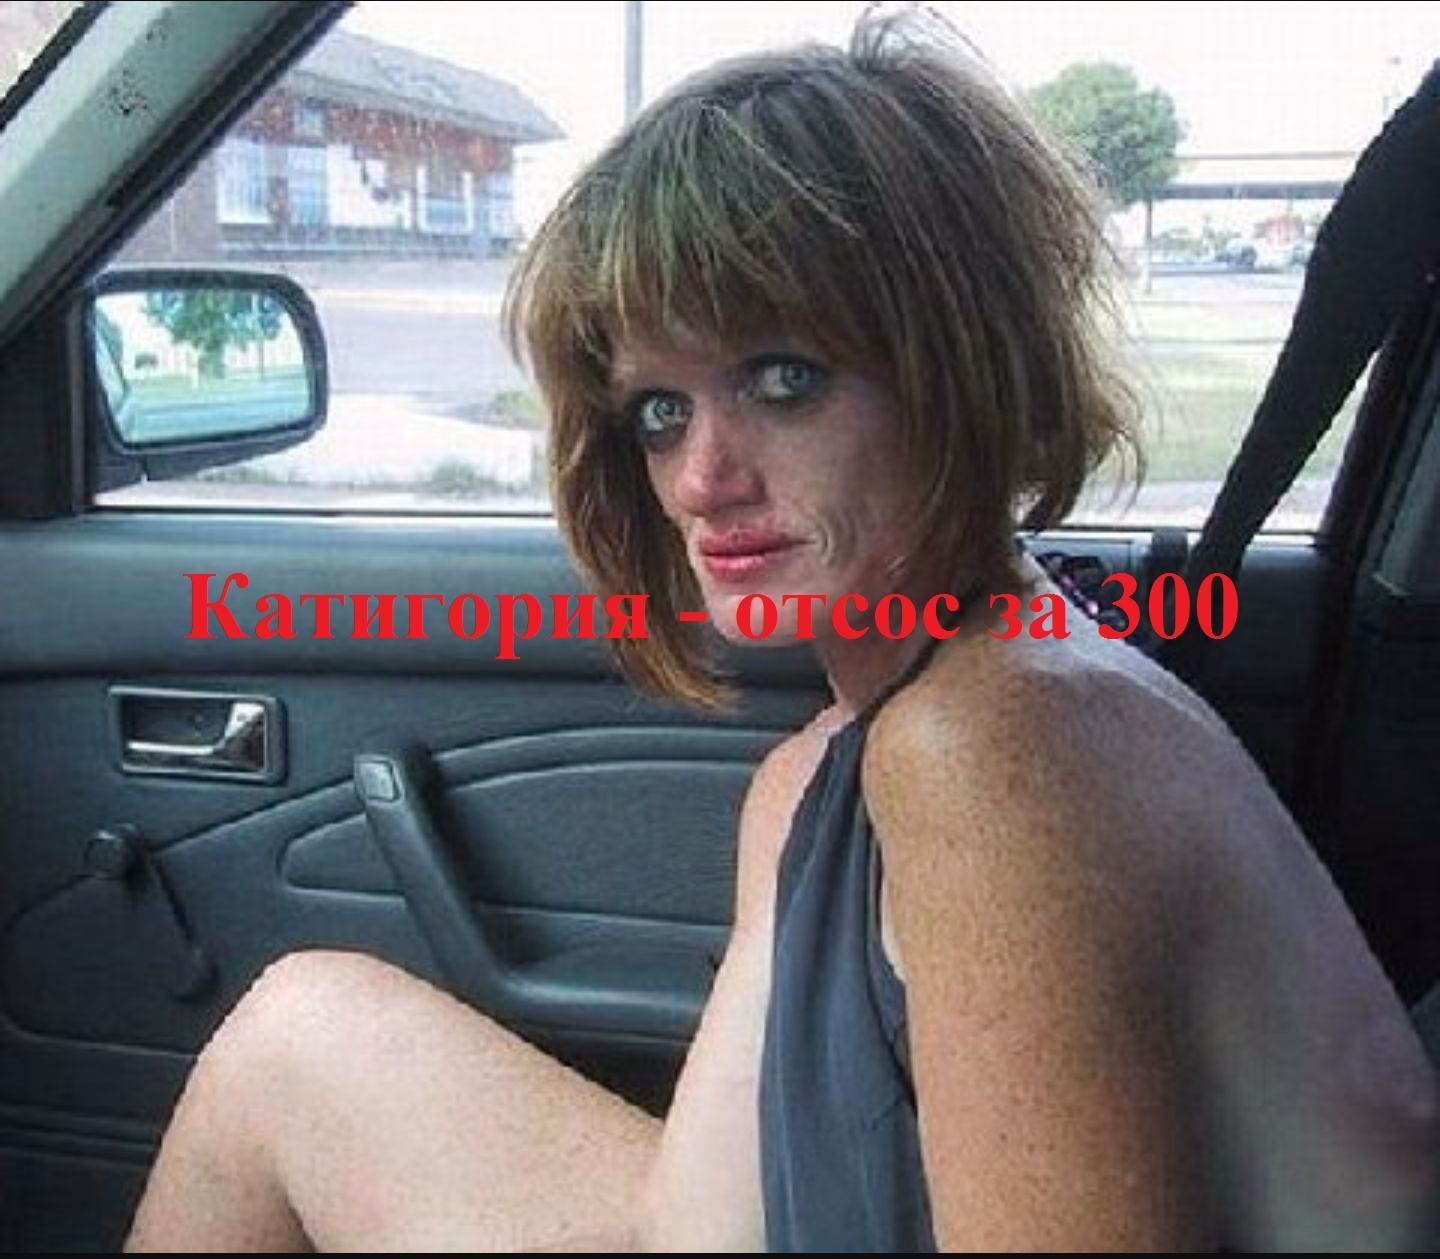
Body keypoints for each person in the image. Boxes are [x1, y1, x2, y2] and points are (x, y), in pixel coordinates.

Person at [126, 10, 1438, 1252]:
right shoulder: (826, 770)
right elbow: (705, 1227)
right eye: (660, 412)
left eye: (784, 380)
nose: (703, 478)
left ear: (963, 373)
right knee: (296, 1034)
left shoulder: (995, 750)